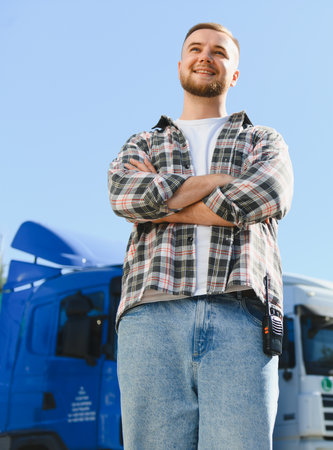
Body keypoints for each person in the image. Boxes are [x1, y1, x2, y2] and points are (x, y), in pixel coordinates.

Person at [108, 22, 293, 450]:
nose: (205, 56)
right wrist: (222, 181)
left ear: (235, 73)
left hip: (242, 315)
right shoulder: (143, 142)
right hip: (150, 316)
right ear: (180, 64)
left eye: (219, 52)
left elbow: (268, 193)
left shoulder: (263, 140)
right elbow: (124, 195)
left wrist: (163, 204)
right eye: (195, 48)